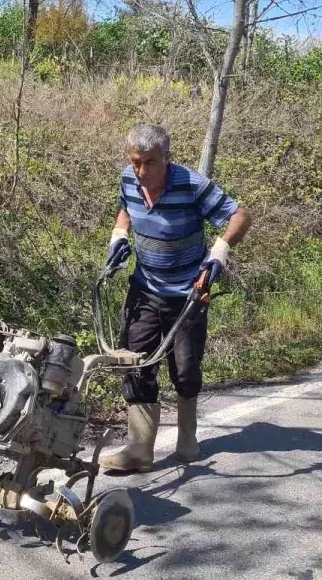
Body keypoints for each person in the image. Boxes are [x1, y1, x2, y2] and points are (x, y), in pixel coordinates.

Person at [98, 123, 252, 472]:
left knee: (184, 368)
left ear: (167, 159)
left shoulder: (191, 185)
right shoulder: (128, 179)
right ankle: (139, 449)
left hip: (188, 292)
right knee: (135, 362)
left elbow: (240, 215)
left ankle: (186, 436)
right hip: (145, 288)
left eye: (150, 163)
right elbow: (125, 209)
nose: (141, 172)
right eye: (136, 162)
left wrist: (220, 251)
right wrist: (119, 235)